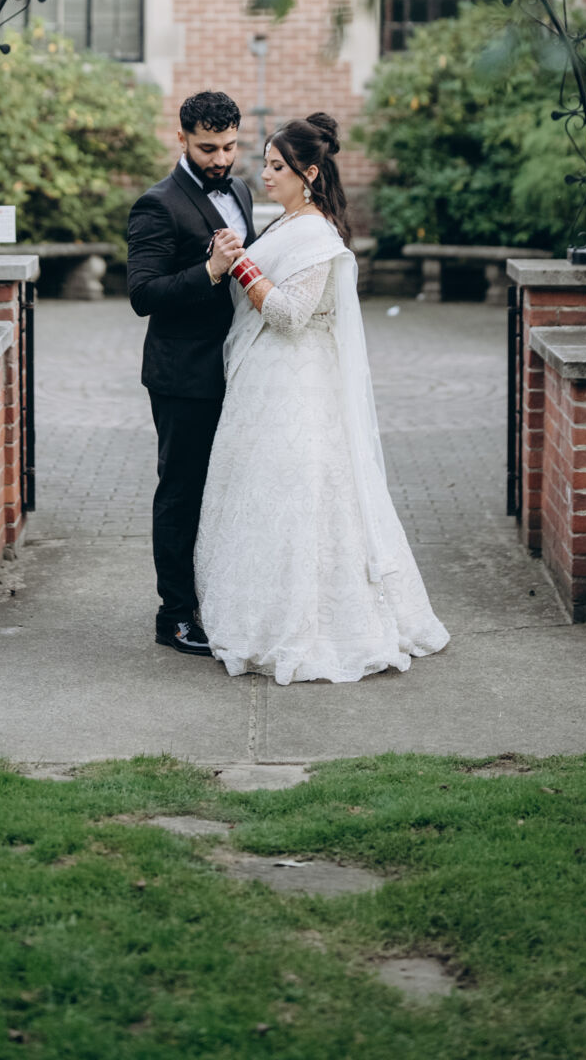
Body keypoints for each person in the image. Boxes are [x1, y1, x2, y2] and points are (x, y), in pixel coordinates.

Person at [195, 112, 449, 684]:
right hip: (266, 383)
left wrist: (240, 265)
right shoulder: (286, 222)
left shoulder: (315, 233)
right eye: (264, 164)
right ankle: (258, 611)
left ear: (309, 173)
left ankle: (314, 624)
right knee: (263, 494)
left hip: (299, 385)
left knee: (303, 494)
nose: (265, 174)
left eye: (277, 166)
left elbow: (290, 315)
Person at [127, 91, 255, 655]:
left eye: (229, 146)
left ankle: (217, 599)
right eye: (208, 148)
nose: (221, 159)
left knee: (227, 489)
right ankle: (175, 615)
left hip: (239, 370)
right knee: (181, 493)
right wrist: (209, 269)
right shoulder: (156, 205)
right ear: (181, 139)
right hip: (183, 377)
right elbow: (143, 294)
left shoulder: (242, 191)